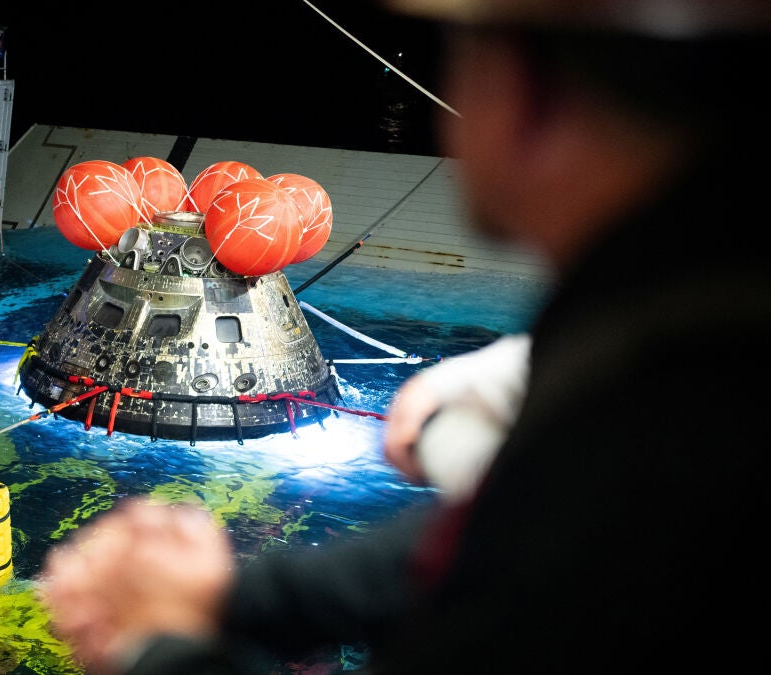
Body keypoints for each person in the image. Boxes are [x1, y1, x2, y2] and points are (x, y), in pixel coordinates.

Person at [38, 1, 771, 674]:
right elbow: (491, 544)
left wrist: (155, 650)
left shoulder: (655, 419)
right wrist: (236, 599)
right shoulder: (676, 361)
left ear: (524, 94)